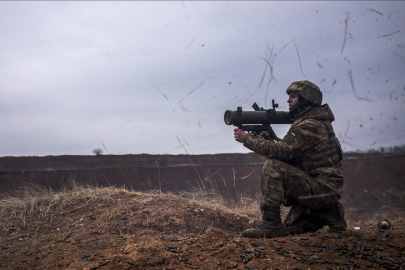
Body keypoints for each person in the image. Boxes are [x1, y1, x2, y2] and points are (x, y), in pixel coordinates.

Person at [233, 80, 346, 238]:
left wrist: (247, 139)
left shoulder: (309, 125)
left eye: (293, 96)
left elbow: (281, 152)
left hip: (320, 191)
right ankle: (328, 213)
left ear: (305, 99)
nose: (288, 100)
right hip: (321, 191)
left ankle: (271, 223)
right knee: (289, 232)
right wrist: (266, 140)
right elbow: (291, 154)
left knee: (273, 166)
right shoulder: (315, 122)